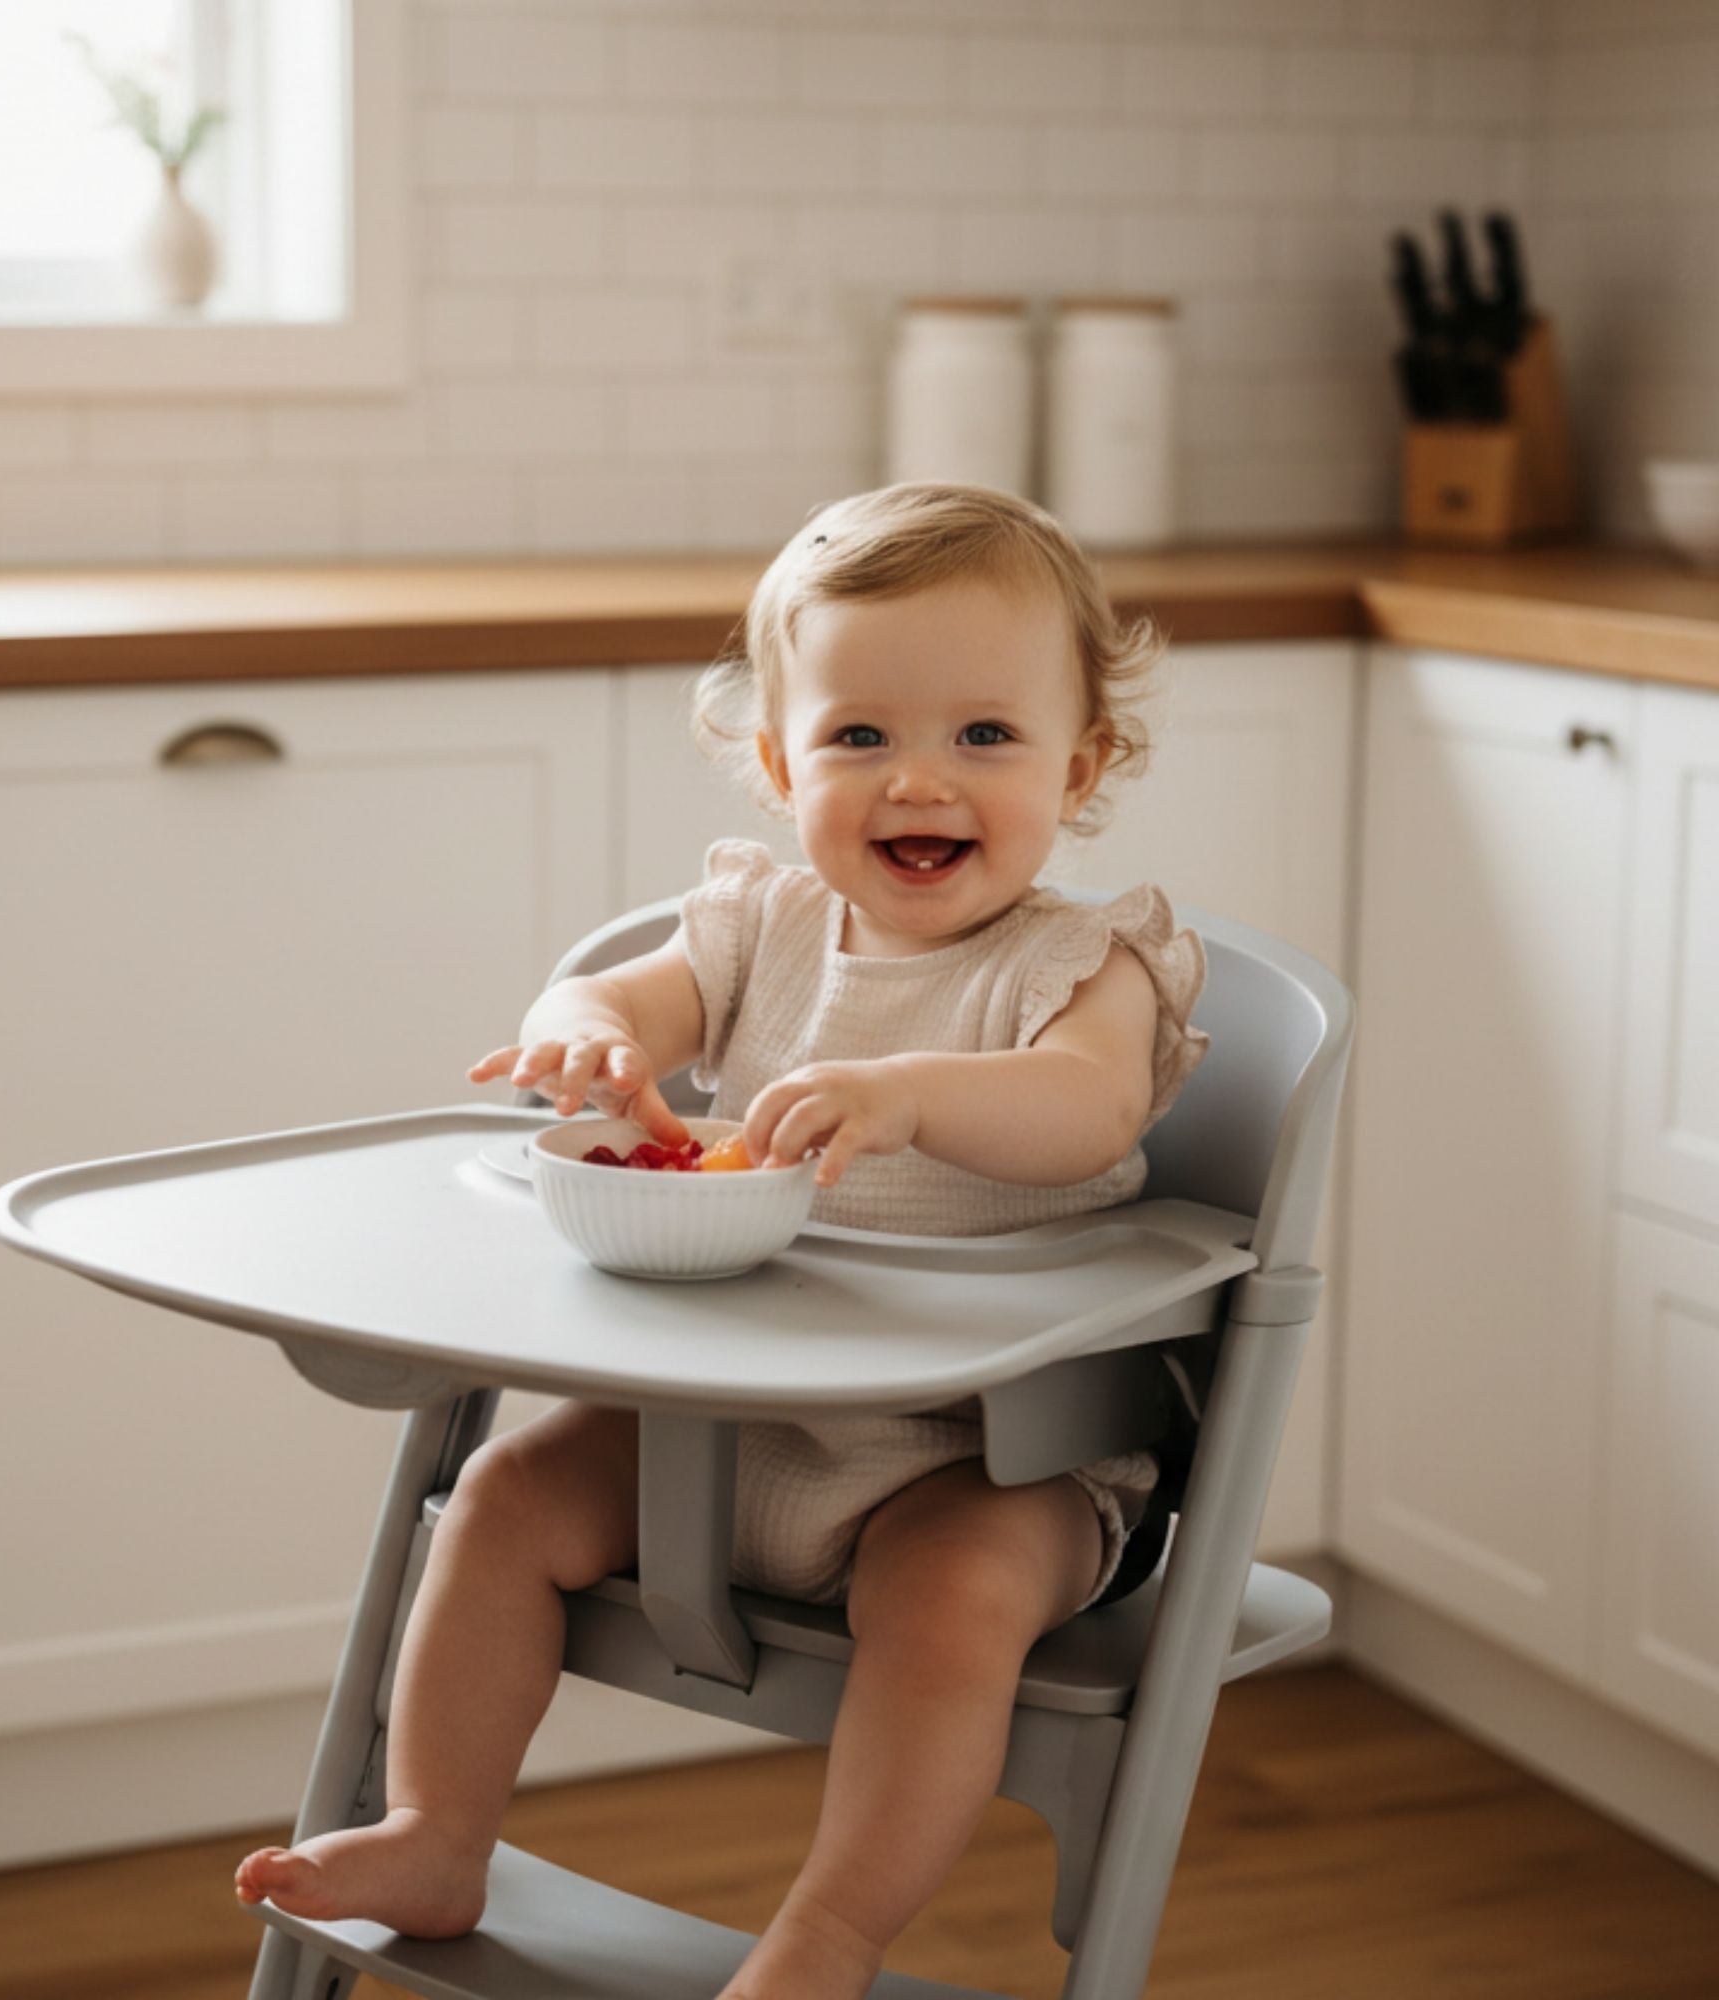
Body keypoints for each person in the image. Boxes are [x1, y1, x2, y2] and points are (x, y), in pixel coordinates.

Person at [234, 482, 1209, 2000]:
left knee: (951, 1602)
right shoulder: (760, 931)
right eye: (859, 735)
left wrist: (912, 1096)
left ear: (1077, 766)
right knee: (500, 1497)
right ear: (778, 763)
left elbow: (1084, 1113)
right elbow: (617, 998)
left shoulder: (1087, 966)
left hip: (986, 1456)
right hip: (725, 1427)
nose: (919, 781)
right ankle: (434, 1831)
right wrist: (581, 1031)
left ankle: (829, 1935)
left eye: (984, 735)